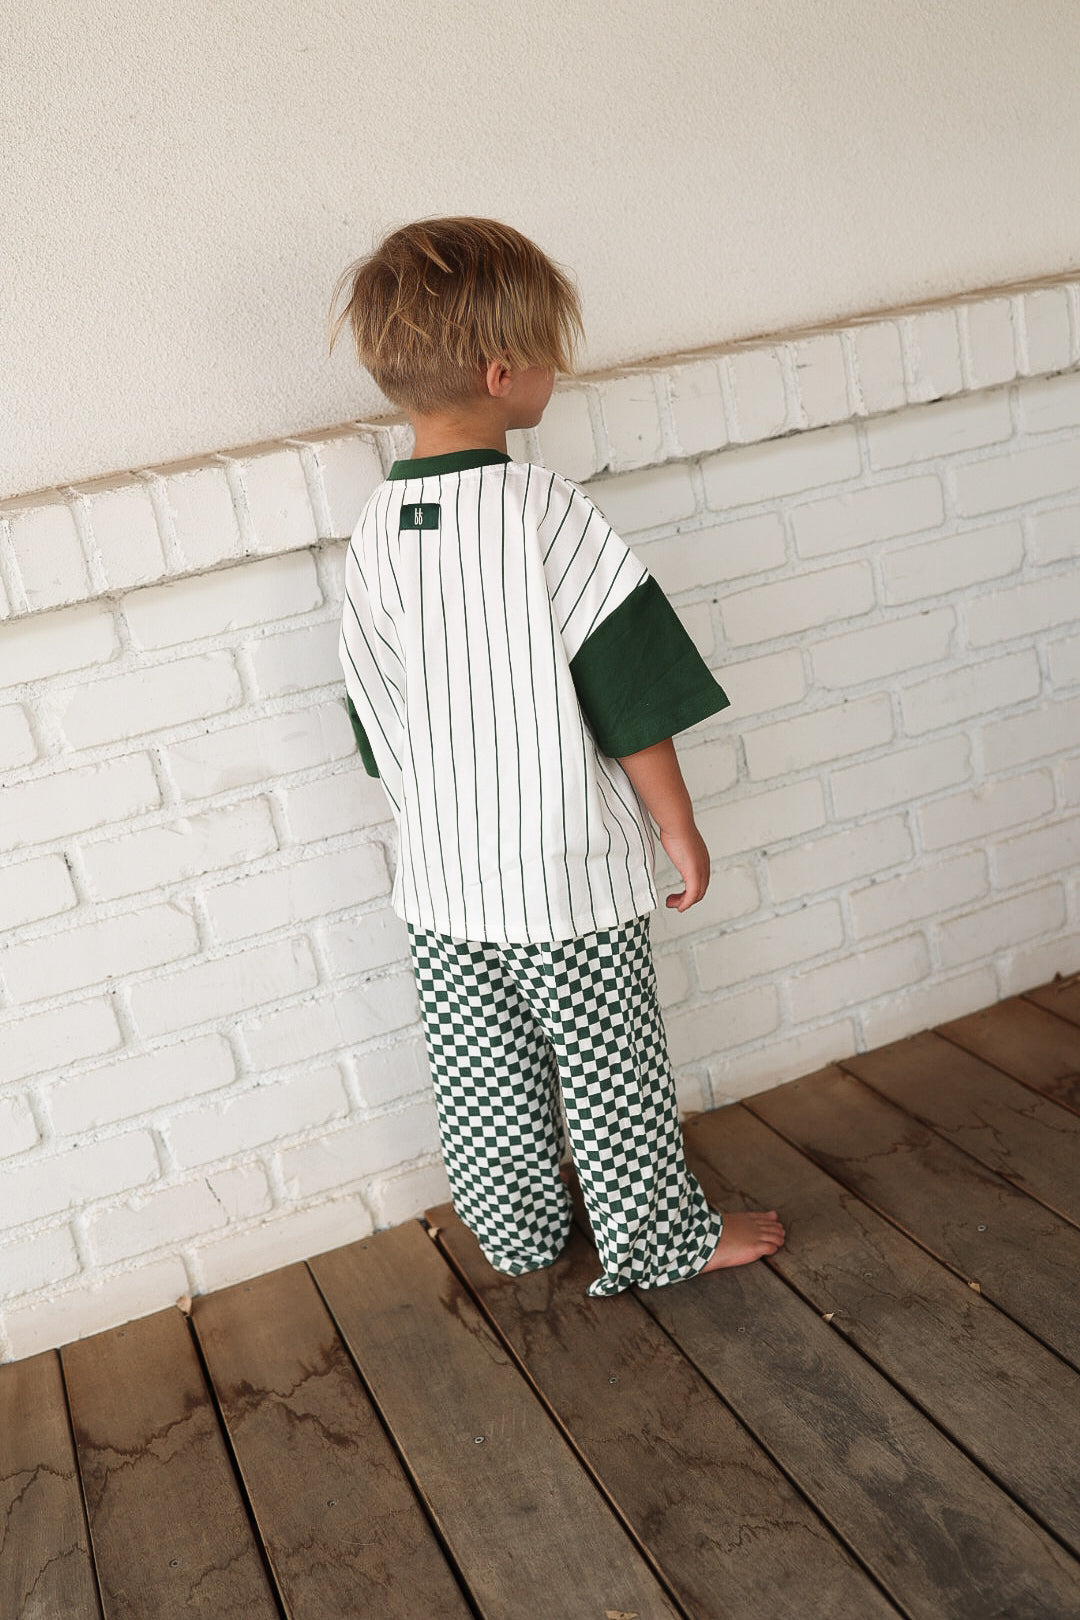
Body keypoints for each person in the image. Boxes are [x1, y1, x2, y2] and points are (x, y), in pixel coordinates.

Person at [328, 216, 785, 1296]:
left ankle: (519, 1232)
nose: (556, 374)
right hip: (564, 873)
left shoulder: (374, 536)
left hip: (442, 879)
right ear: (501, 373)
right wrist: (675, 824)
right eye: (548, 354)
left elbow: (372, 716)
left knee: (482, 1074)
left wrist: (436, 821)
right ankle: (660, 1239)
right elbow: (628, 686)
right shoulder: (544, 512)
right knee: (608, 1067)